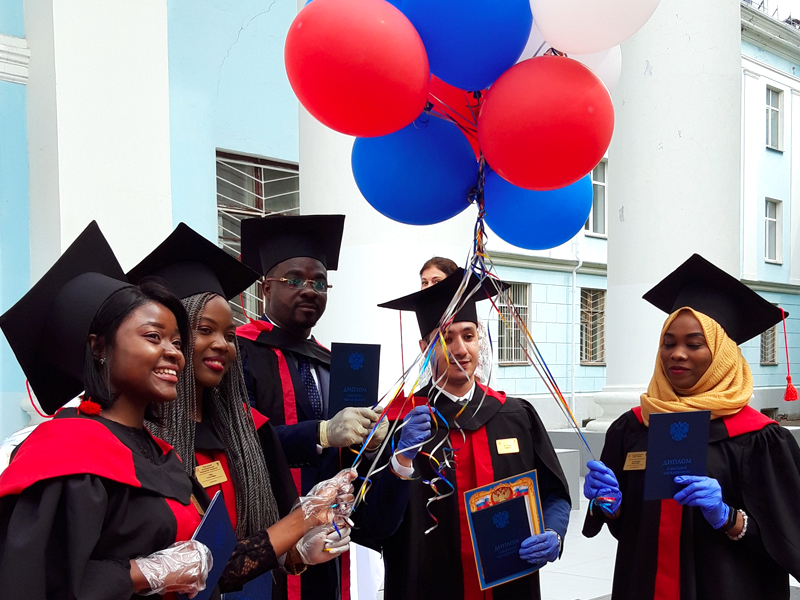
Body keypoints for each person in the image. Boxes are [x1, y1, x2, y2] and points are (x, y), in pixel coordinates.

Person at [127, 224, 357, 599]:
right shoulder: (139, 439)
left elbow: (262, 540)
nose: (222, 345)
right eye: (203, 330)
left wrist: (298, 551)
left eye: (230, 335)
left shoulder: (250, 431)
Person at [0, 222, 212, 599]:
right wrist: (142, 573)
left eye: (178, 341)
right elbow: (37, 583)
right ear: (98, 348)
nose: (175, 353)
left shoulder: (159, 453)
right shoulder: (65, 452)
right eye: (153, 337)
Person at [582, 254, 800, 600]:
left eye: (694, 344)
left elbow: (789, 538)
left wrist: (730, 518)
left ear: (723, 354)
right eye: (669, 343)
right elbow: (627, 528)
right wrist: (610, 503)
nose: (677, 354)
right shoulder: (633, 427)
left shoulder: (759, 438)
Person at [237, 214, 415, 599]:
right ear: (265, 287)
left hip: (326, 535)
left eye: (320, 282)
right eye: (295, 280)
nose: (310, 290)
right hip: (264, 529)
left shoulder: (334, 362)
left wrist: (373, 440)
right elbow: (242, 441)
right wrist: (320, 433)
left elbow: (350, 457)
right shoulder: (238, 351)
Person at [374, 268, 571, 600]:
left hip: (510, 582)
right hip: (427, 586)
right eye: (445, 338)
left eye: (468, 335)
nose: (460, 349)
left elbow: (555, 494)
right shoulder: (398, 421)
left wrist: (554, 532)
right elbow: (375, 522)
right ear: (425, 346)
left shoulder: (514, 415)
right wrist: (400, 460)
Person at [419, 257, 494, 387]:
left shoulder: (469, 322)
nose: (429, 287)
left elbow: (470, 374)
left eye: (436, 281)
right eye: (425, 282)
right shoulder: (430, 320)